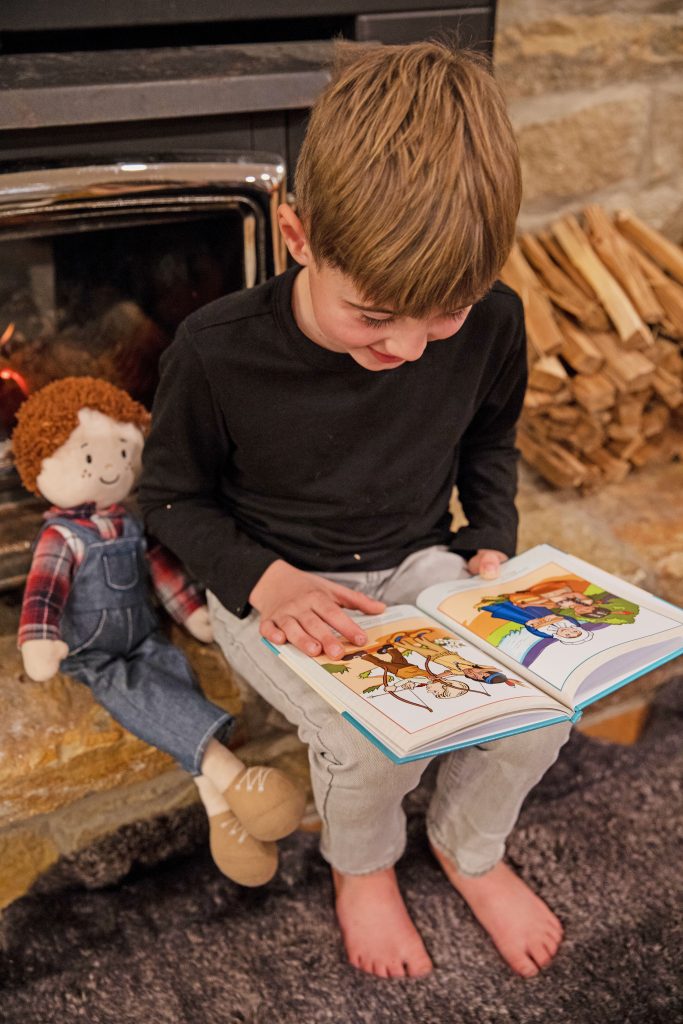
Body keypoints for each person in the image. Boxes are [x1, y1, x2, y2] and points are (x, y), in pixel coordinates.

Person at [139, 41, 571, 979]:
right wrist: (266, 579)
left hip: (419, 560)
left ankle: (467, 846)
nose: (410, 349)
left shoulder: (493, 318)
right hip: (272, 579)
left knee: (538, 712)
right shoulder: (216, 353)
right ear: (297, 237)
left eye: (443, 316)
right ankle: (362, 868)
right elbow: (169, 496)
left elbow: (489, 443)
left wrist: (490, 544)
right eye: (373, 315)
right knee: (371, 737)